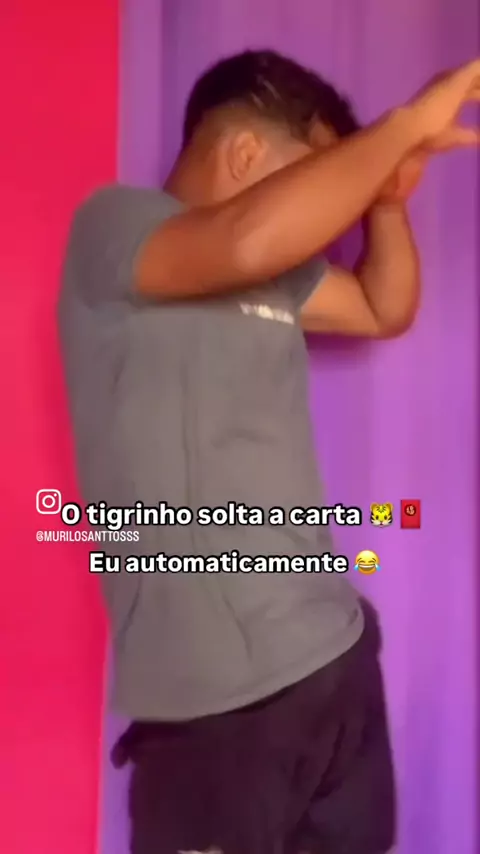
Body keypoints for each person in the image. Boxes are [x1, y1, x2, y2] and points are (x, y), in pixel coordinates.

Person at [58, 50, 480, 854]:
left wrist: (386, 200)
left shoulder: (274, 270)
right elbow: (247, 239)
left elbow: (383, 307)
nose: (330, 211)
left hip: (334, 658)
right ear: (246, 153)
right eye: (317, 177)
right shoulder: (116, 228)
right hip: (216, 702)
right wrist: (399, 131)